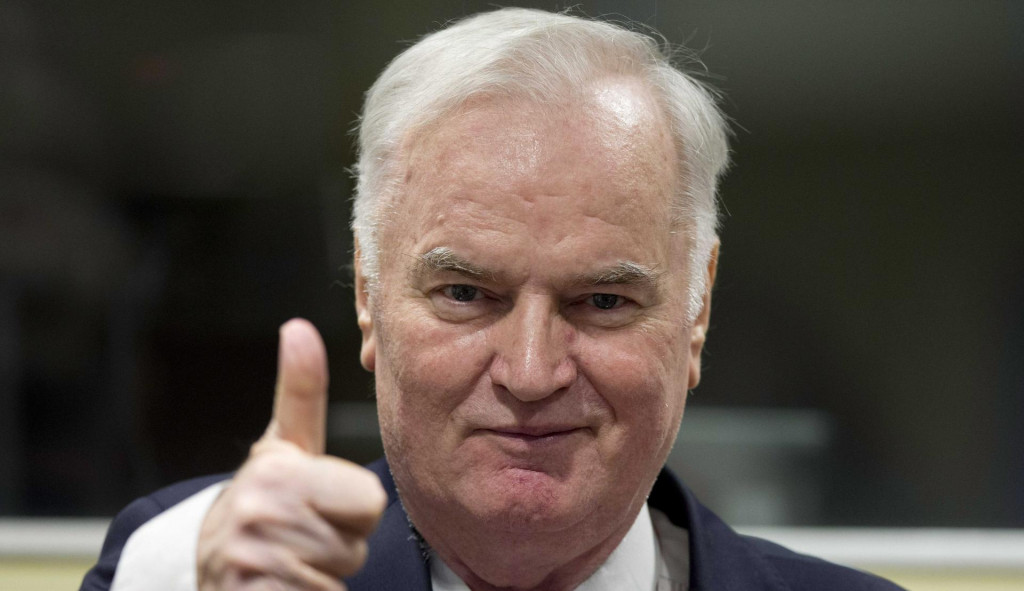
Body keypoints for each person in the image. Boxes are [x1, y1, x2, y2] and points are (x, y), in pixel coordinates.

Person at [82, 8, 903, 591]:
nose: (532, 371)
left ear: (697, 312)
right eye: (466, 293)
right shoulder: (193, 570)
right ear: (368, 294)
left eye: (603, 301)